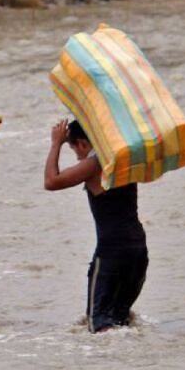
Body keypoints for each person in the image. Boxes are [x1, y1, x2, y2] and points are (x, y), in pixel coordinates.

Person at [44, 119, 149, 333]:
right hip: (138, 250)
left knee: (98, 323)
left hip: (111, 253)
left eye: (74, 148)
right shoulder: (120, 158)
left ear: (83, 143)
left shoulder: (95, 163)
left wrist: (56, 144)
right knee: (120, 319)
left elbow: (51, 182)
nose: (76, 155)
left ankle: (104, 367)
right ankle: (132, 365)